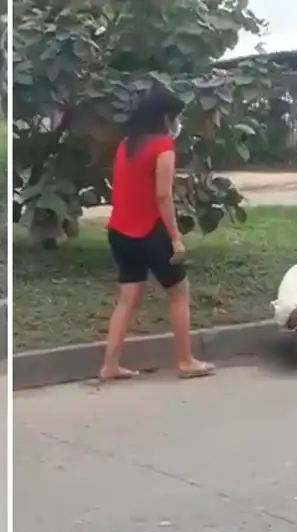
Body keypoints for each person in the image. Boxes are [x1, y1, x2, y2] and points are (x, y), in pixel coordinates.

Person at [98, 86, 216, 381]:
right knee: (179, 294)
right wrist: (175, 237)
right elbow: (163, 197)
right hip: (150, 232)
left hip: (119, 232)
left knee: (128, 298)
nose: (175, 123)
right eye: (174, 117)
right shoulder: (163, 147)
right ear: (165, 117)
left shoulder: (127, 144)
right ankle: (185, 361)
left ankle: (109, 365)